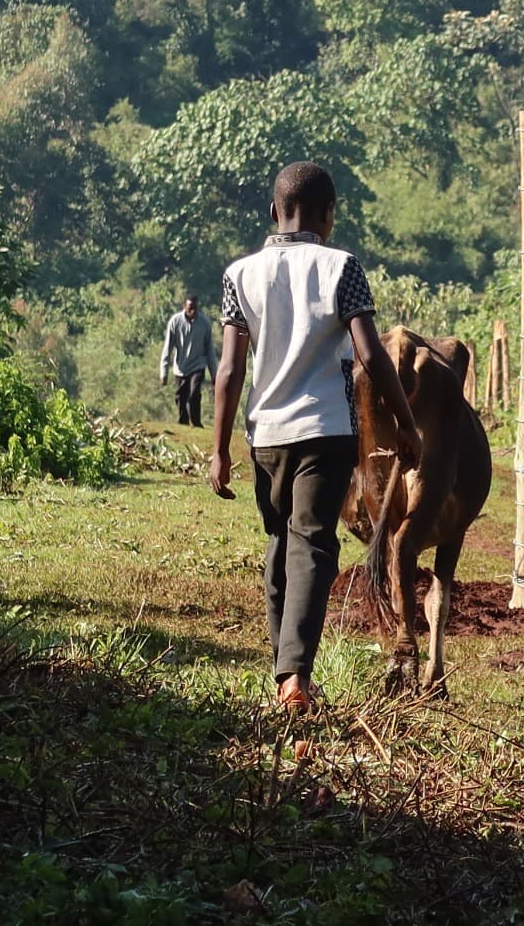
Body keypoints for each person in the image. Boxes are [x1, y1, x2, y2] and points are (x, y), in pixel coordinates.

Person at [209, 161, 422, 711]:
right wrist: (405, 423)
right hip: (325, 429)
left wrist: (219, 450)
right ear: (329, 215)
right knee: (312, 546)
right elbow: (372, 354)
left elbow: (230, 371)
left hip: (267, 435)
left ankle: (288, 675)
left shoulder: (240, 275)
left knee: (282, 543)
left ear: (273, 212)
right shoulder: (341, 267)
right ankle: (296, 677)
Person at [160, 295, 218, 426]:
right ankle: (183, 422)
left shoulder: (204, 323)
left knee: (194, 393)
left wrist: (215, 374)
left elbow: (210, 350)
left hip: (198, 365)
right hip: (180, 367)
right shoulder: (175, 322)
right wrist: (163, 372)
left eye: (195, 308)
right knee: (181, 397)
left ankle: (196, 423)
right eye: (190, 308)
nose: (193, 311)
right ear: (184, 307)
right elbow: (168, 347)